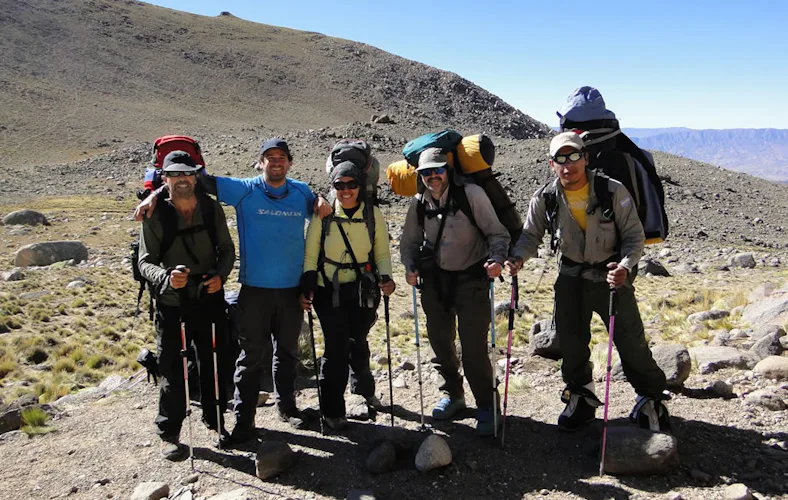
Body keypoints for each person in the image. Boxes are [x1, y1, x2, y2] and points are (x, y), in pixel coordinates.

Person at [136, 138, 331, 445]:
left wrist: (320, 197)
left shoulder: (302, 192)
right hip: (252, 289)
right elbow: (195, 181)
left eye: (281, 157)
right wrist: (155, 197)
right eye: (269, 157)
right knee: (250, 357)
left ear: (290, 162)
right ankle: (241, 421)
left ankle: (286, 408)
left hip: (289, 288)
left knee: (287, 352)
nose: (276, 162)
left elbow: (322, 216)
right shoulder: (244, 190)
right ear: (260, 162)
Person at [506, 132, 670, 432]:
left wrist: (624, 267)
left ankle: (651, 400)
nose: (568, 165)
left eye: (573, 157)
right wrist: (517, 258)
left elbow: (634, 237)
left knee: (631, 343)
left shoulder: (612, 191)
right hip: (569, 278)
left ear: (585, 158)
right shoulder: (546, 197)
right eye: (561, 159)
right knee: (570, 343)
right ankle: (581, 398)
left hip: (611, 279)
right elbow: (531, 235)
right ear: (551, 164)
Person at [400, 148, 510, 436]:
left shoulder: (471, 195)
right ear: (420, 175)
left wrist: (497, 260)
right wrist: (410, 266)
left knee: (473, 347)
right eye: (426, 172)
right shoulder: (419, 203)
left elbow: (498, 233)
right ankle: (453, 394)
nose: (432, 177)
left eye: (437, 170)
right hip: (435, 282)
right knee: (440, 342)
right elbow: (409, 243)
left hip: (472, 279)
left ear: (447, 170)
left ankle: (487, 405)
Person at [137, 151, 235, 459]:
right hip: (172, 303)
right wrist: (166, 277)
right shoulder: (155, 216)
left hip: (209, 298)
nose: (182, 180)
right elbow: (144, 262)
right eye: (175, 175)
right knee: (172, 368)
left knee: (214, 363)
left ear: (196, 176)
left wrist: (221, 275)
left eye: (187, 174)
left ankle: (215, 422)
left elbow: (227, 249)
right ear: (164, 179)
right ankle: (169, 433)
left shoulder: (211, 208)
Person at [299, 161, 396, 430]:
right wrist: (307, 284)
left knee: (358, 340)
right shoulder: (324, 213)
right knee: (337, 345)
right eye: (339, 185)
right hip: (327, 289)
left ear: (359, 186)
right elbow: (310, 254)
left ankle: (362, 393)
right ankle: (332, 410)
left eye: (351, 185)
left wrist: (386, 278)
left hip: (362, 288)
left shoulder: (372, 214)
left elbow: (382, 253)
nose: (345, 190)